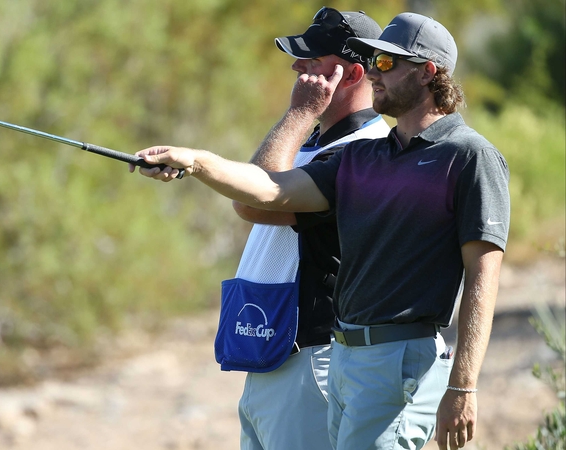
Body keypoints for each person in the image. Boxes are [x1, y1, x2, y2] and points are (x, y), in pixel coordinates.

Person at [130, 12, 510, 450]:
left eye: (386, 63)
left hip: (400, 358)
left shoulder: (470, 156)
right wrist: (195, 162)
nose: (373, 74)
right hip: (346, 357)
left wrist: (463, 388)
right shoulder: (362, 157)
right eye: (371, 61)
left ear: (429, 73)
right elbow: (269, 191)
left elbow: (484, 275)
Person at [222, 8, 388, 450]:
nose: (297, 67)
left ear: (352, 74)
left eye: (313, 62)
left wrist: (299, 112)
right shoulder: (318, 142)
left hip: (311, 359)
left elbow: (253, 199)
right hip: (272, 354)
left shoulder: (365, 152)